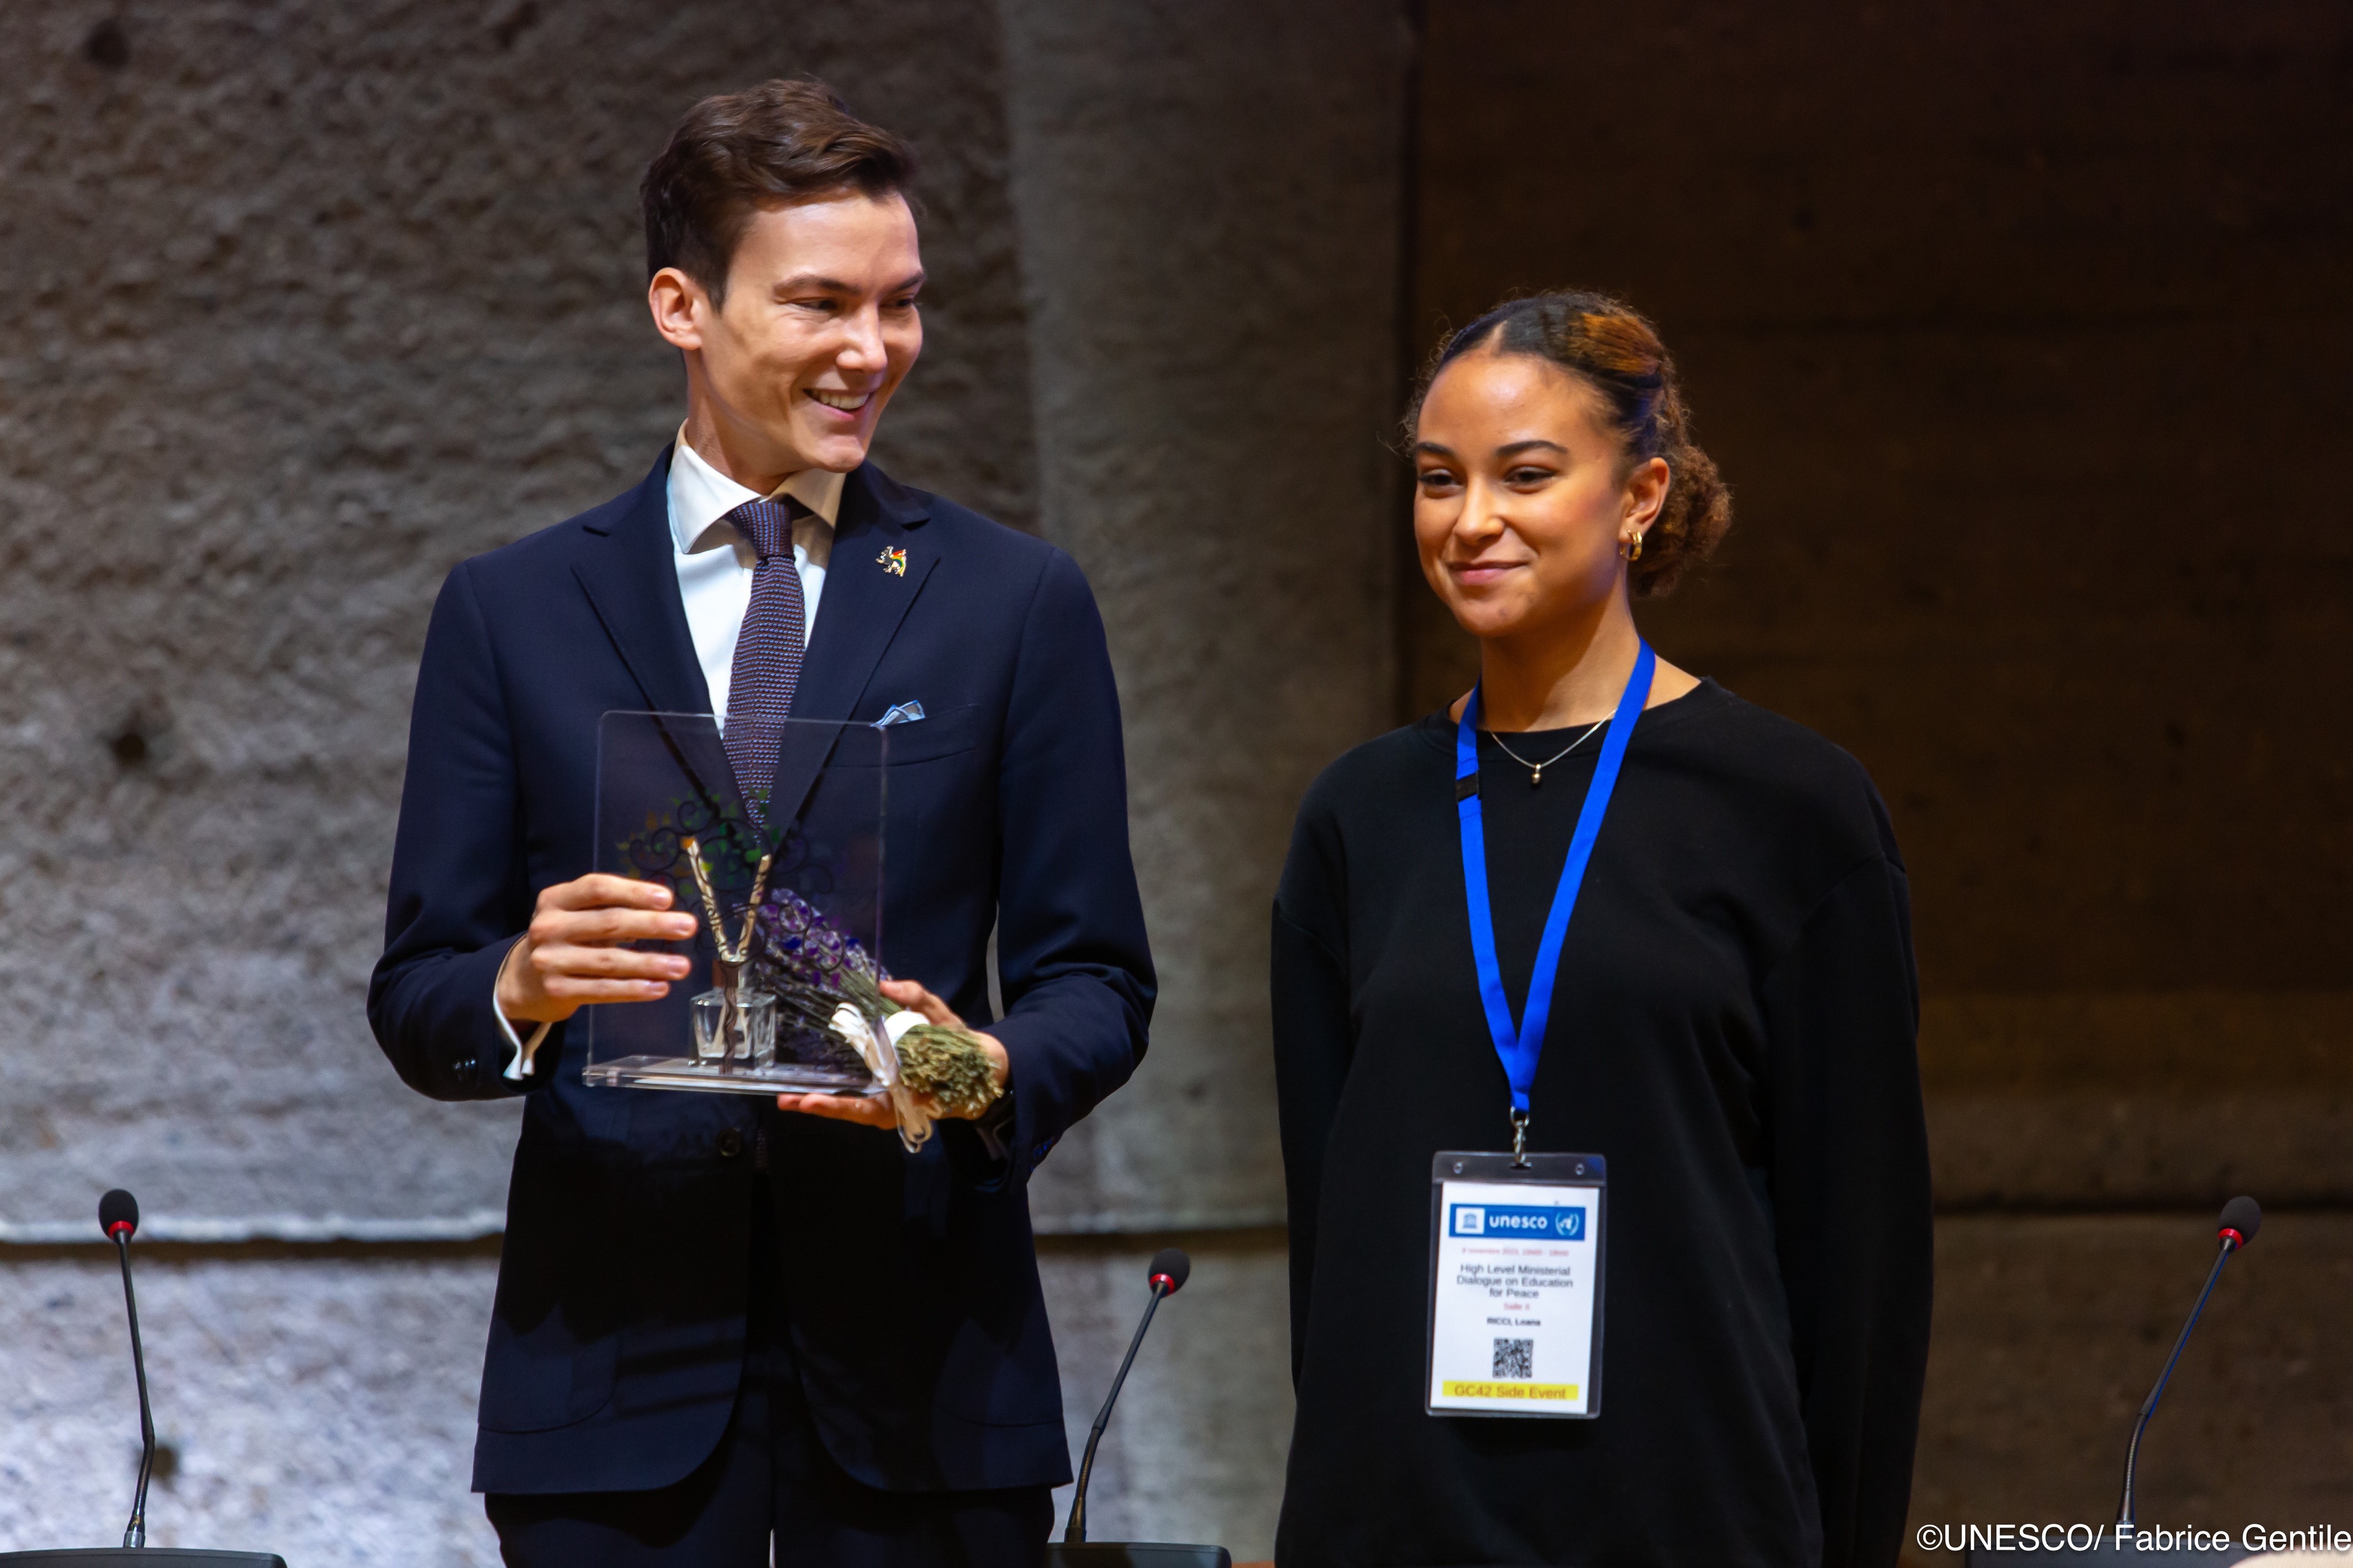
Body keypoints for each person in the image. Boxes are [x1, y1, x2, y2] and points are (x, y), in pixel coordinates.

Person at [368, 80, 1154, 1567]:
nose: (874, 351)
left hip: (929, 1382)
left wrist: (978, 1069)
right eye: (820, 304)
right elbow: (421, 997)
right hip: (611, 1380)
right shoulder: (515, 611)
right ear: (683, 304)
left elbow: (1099, 985)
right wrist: (518, 992)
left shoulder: (1013, 604)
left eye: (901, 306)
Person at [1270, 292, 1931, 1567]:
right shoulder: (1360, 816)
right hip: (1400, 1513)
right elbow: (1330, 1244)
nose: (1469, 521)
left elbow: (1859, 1259)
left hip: (1690, 1509)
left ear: (1639, 496)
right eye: (1434, 480)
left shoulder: (1788, 806)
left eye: (1523, 475)